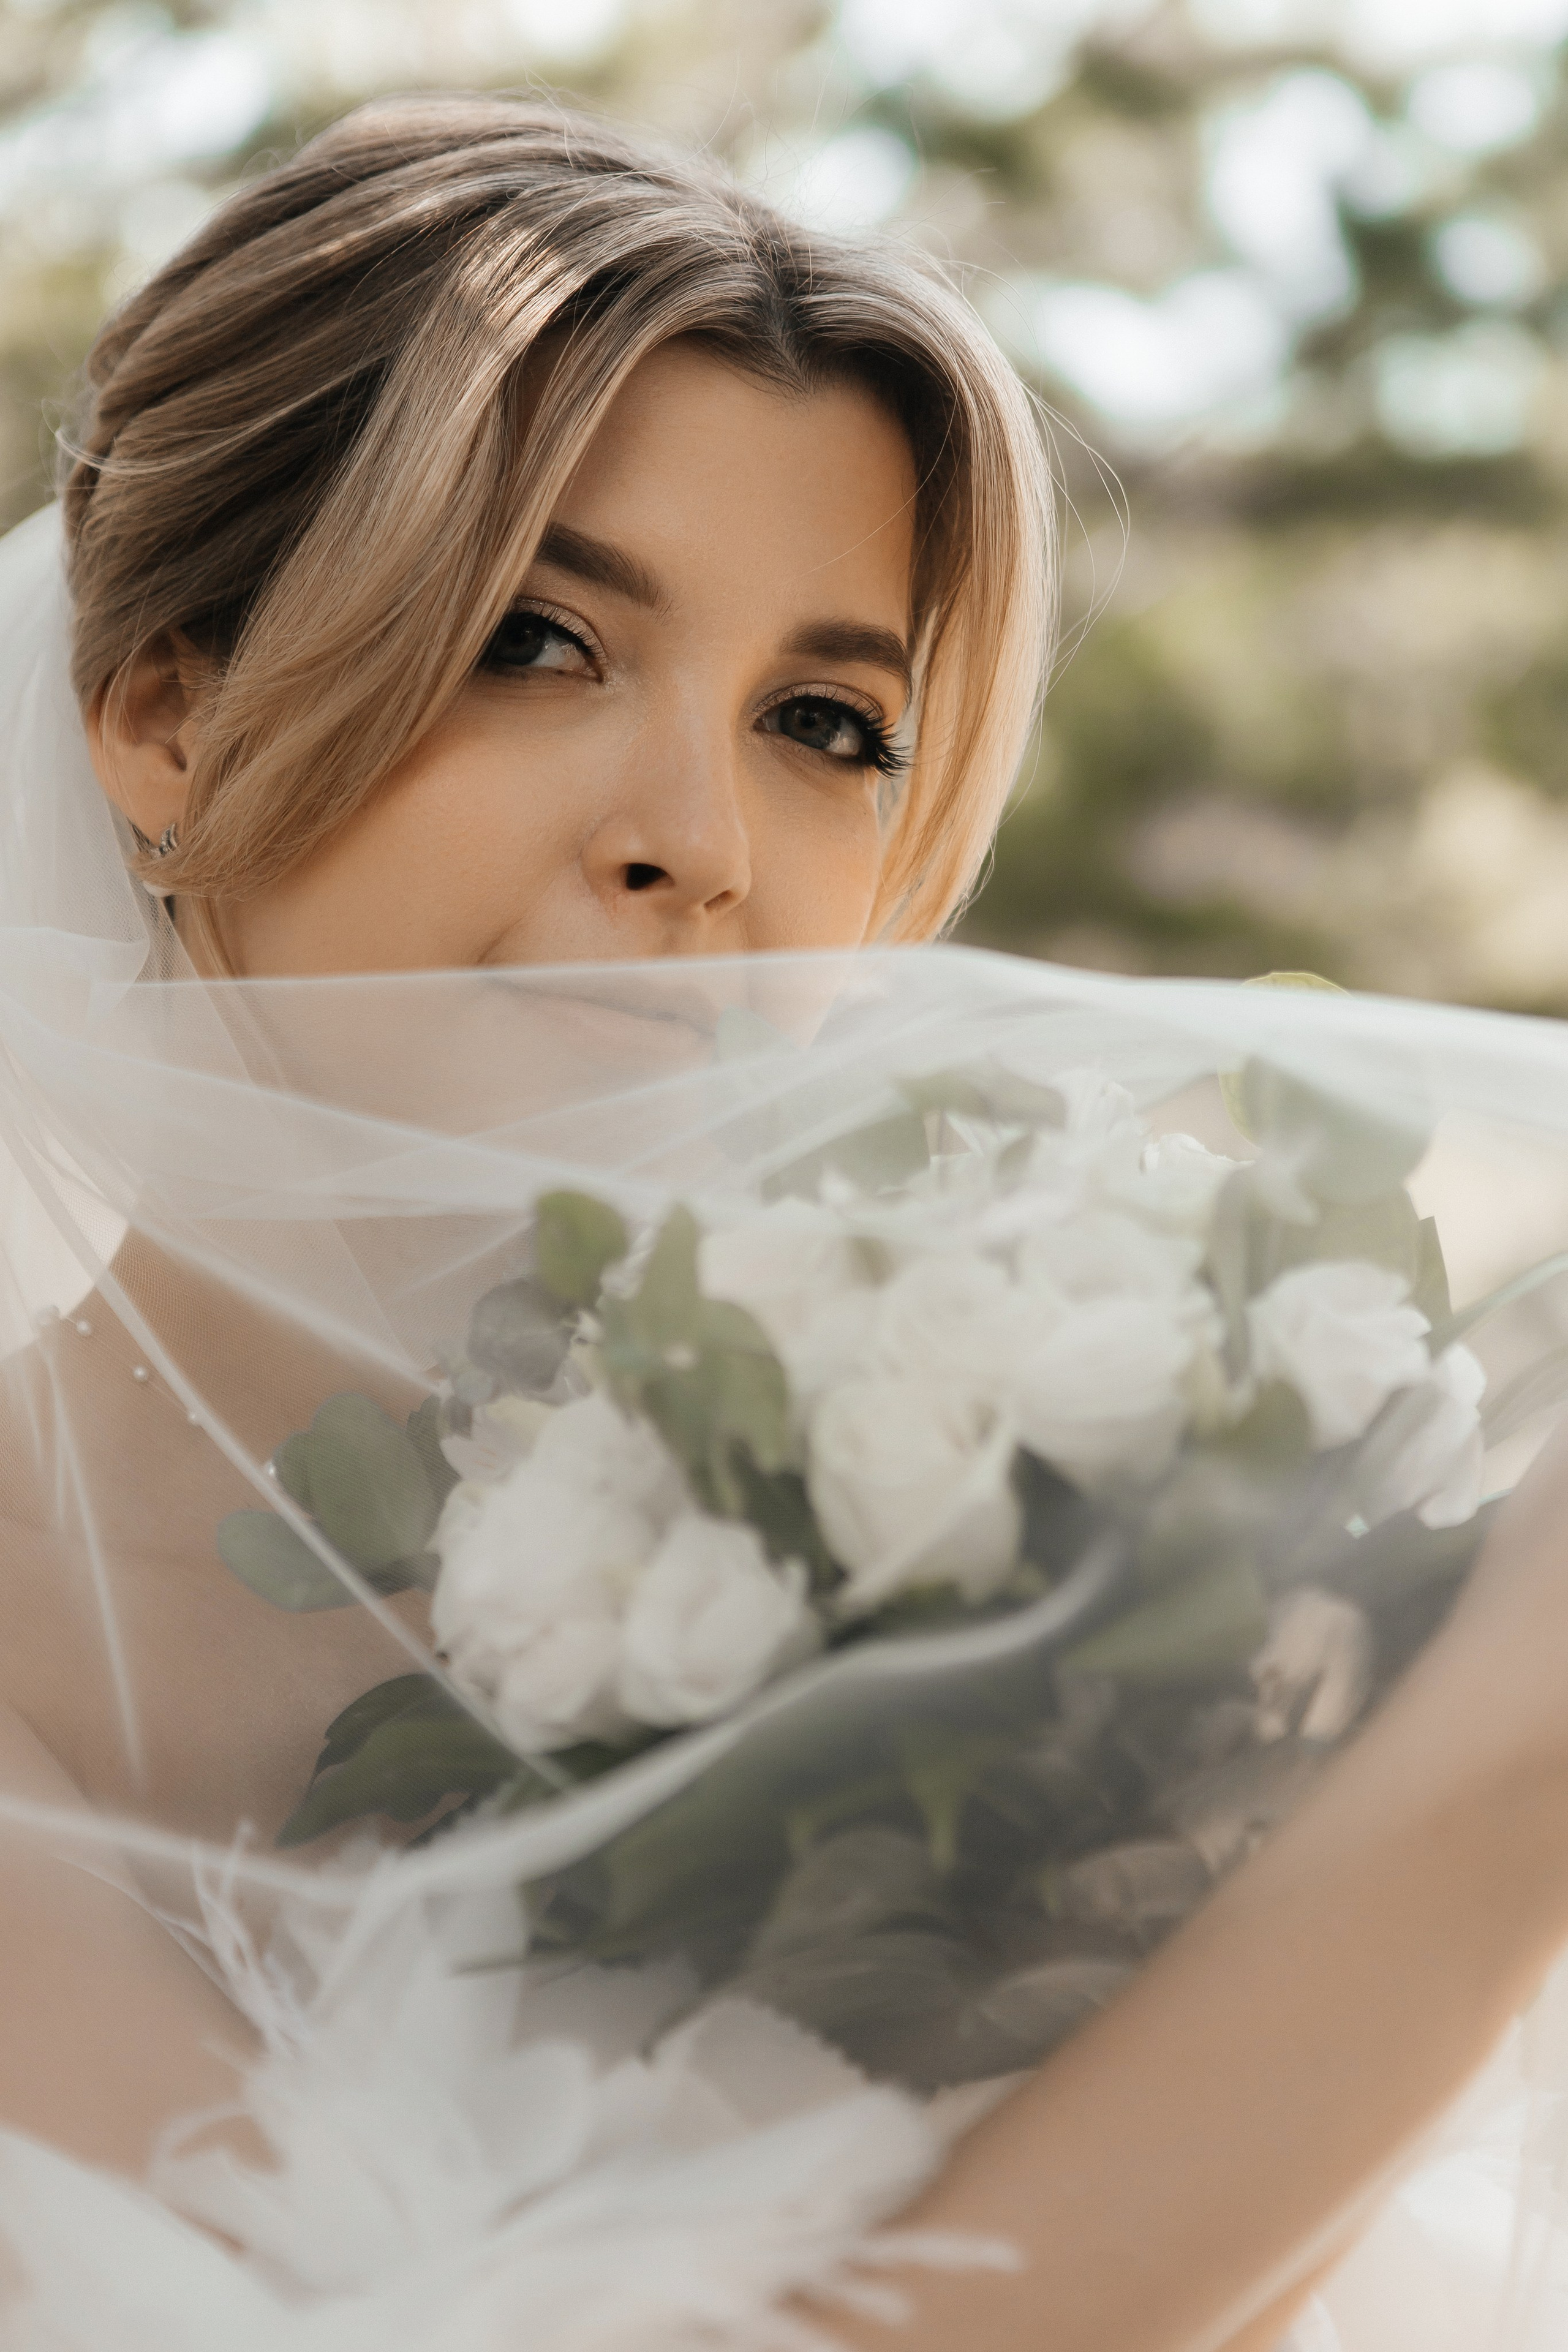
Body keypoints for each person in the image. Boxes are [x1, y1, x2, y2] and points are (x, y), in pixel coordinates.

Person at [2, 91, 1567, 2352]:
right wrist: (1501, 1779)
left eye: (828, 722)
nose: (700, 839)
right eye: (538, 643)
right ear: (162, 714)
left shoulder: (1005, 1567)